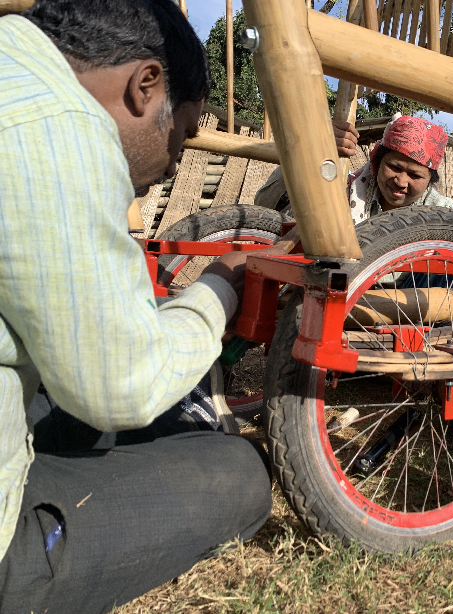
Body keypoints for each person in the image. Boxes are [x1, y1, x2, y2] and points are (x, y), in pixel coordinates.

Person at [0, 1, 273, 612]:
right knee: (239, 471)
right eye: (183, 131)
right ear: (144, 85)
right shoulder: (58, 126)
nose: (178, 155)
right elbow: (119, 384)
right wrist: (221, 288)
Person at [256, 113, 453, 225]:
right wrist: (310, 151)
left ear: (430, 179)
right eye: (394, 167)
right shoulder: (343, 187)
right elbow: (265, 205)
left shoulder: (437, 209)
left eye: (415, 175)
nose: (401, 181)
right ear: (377, 163)